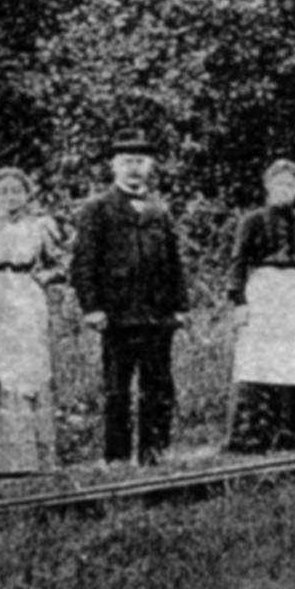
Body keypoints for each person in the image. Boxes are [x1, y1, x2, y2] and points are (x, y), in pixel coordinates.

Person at [69, 133, 187, 466]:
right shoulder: (97, 208)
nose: (133, 169)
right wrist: (91, 307)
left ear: (150, 166)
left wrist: (180, 305)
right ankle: (117, 456)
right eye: (126, 162)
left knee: (159, 386)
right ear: (114, 166)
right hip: (117, 314)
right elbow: (83, 262)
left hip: (157, 315)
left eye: (139, 162)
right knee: (117, 388)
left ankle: (154, 452)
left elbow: (174, 262)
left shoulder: (159, 210)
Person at [0, 166, 68, 475]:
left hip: (27, 300)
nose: (10, 197)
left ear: (27, 195)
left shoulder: (40, 227)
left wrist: (43, 277)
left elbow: (60, 265)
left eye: (16, 191)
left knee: (28, 369)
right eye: (3, 192)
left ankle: (32, 457)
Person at [222, 159, 295, 453]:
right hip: (263, 291)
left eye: (292, 185)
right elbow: (238, 262)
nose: (286, 190)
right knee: (260, 358)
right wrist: (239, 301)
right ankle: (252, 437)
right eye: (280, 183)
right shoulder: (252, 220)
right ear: (268, 186)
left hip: (294, 293)